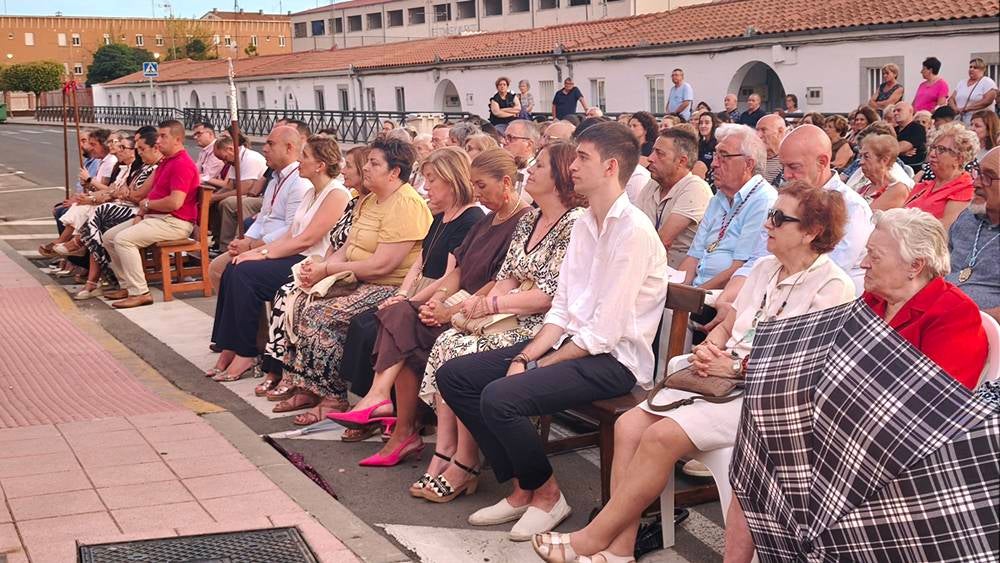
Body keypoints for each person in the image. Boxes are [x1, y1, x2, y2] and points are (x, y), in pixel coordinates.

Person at [533, 181, 855, 563]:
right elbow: (733, 322)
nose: (767, 224)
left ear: (812, 232)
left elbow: (802, 370)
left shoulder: (834, 286)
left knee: (660, 437)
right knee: (628, 426)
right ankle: (620, 549)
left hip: (762, 400)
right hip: (718, 379)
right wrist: (710, 346)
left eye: (779, 218)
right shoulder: (767, 268)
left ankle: (592, 537)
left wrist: (734, 365)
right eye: (770, 215)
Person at [438, 122, 666, 541]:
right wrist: (526, 357)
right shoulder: (585, 223)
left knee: (500, 396)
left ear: (611, 167)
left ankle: (547, 495)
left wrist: (537, 363)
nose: (573, 165)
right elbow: (562, 307)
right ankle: (525, 487)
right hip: (571, 343)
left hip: (614, 362)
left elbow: (604, 334)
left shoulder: (632, 231)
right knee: (455, 375)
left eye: (583, 158)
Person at [277, 138, 432, 423]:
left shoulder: (406, 203)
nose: (366, 169)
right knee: (297, 297)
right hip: (358, 276)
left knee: (321, 314)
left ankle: (332, 396)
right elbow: (348, 247)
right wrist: (321, 269)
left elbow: (383, 265)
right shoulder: (370, 199)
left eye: (374, 164)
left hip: (388, 285)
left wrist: (328, 272)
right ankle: (304, 384)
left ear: (394, 172)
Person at [207, 136, 352, 382]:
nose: (299, 161)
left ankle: (247, 353)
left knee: (245, 275)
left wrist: (263, 253)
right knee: (234, 268)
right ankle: (229, 345)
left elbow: (306, 240)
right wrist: (253, 252)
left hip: (311, 261)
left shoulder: (336, 194)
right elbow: (289, 234)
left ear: (320, 165)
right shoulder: (311, 193)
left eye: (304, 156)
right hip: (296, 254)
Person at [259, 146, 371, 403]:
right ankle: (290, 375)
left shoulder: (345, 196)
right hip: (334, 267)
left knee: (305, 304)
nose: (344, 170)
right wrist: (321, 266)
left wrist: (325, 269)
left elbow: (362, 254)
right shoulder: (355, 201)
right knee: (289, 293)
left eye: (351, 167)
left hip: (354, 275)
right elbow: (337, 244)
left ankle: (315, 387)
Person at [861, 208, 988, 388]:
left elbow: (936, 397)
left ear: (915, 266)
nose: (863, 264)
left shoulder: (955, 315)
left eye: (875, 257)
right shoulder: (875, 296)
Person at [101, 120, 200, 308]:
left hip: (174, 222)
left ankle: (140, 292)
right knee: (109, 237)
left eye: (163, 136)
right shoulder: (166, 162)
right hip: (155, 217)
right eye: (158, 136)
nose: (158, 141)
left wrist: (147, 204)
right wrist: (142, 211)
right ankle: (127, 286)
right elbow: (149, 193)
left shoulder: (182, 164)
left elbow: (175, 202)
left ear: (177, 139)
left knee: (123, 240)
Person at [206, 127, 311, 292]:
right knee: (216, 268)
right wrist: (246, 240)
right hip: (262, 243)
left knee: (232, 270)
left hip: (279, 248)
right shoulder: (276, 178)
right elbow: (263, 216)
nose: (264, 149)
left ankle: (242, 315)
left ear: (289, 148)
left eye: (270, 144)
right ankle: (234, 314)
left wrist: (252, 246)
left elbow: (291, 230)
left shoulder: (299, 182)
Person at [678, 124, 777, 296]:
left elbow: (741, 268)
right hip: (698, 293)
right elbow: (693, 256)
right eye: (715, 155)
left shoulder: (763, 200)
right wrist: (677, 291)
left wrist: (693, 296)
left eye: (724, 156)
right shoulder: (719, 198)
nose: (714, 164)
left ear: (748, 164)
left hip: (727, 297)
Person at [72, 132, 161, 299]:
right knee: (106, 235)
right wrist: (95, 196)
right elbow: (122, 190)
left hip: (152, 214)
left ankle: (138, 291)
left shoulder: (157, 166)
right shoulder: (140, 167)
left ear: (155, 149)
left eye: (140, 148)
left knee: (104, 221)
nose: (138, 152)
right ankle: (123, 283)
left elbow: (136, 196)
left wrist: (134, 200)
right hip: (138, 209)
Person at [638, 128, 713, 268]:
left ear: (681, 161)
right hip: (650, 269)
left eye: (659, 154)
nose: (650, 158)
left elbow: (663, 241)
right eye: (653, 151)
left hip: (677, 279)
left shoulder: (695, 188)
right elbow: (633, 231)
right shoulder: (652, 184)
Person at [947, 147, 1000, 321]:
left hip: (982, 332)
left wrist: (968, 318)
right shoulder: (968, 217)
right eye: (977, 172)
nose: (975, 182)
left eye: (988, 177)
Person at [906, 122, 979, 231]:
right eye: (933, 148)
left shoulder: (965, 190)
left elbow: (943, 233)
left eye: (941, 149)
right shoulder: (923, 186)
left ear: (959, 158)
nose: (932, 154)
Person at [207, 134, 269, 249]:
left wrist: (215, 197)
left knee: (227, 203)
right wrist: (212, 197)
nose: (224, 163)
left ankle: (226, 245)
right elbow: (229, 186)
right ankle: (218, 241)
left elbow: (244, 189)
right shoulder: (234, 160)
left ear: (230, 149)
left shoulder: (250, 158)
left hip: (257, 195)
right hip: (250, 194)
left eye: (224, 158)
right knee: (214, 202)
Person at [857, 134, 910, 211]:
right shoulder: (865, 187)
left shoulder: (898, 189)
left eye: (866, 157)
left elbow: (866, 217)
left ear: (884, 160)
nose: (861, 162)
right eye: (860, 156)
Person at [949, 58, 998, 124]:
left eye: (975, 67)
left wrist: (966, 109)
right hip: (960, 120)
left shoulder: (987, 82)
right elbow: (952, 98)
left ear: (982, 70)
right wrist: (955, 108)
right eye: (970, 67)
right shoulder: (961, 82)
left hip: (980, 122)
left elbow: (987, 101)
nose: (971, 69)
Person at [755, 114, 786, 184]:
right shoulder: (751, 160)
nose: (758, 135)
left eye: (763, 130)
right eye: (757, 130)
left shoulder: (790, 161)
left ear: (780, 132)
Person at [894, 102, 927, 168]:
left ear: (910, 111)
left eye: (899, 110)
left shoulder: (918, 128)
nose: (895, 113)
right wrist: (901, 153)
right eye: (894, 111)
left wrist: (897, 152)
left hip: (911, 169)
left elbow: (899, 148)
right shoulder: (893, 129)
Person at [694, 112, 719, 187]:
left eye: (707, 123)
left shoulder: (717, 145)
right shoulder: (699, 144)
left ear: (713, 125)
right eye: (701, 123)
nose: (703, 126)